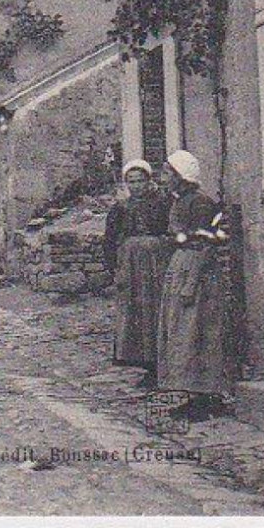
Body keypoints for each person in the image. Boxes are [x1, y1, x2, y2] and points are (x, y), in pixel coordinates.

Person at [156, 150, 234, 419]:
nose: (163, 178)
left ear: (181, 176)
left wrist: (190, 283)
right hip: (182, 268)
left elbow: (206, 245)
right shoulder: (181, 201)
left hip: (198, 275)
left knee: (198, 331)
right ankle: (192, 392)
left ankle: (206, 396)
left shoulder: (200, 203)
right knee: (182, 333)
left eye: (168, 173)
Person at [105, 160, 173, 381]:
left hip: (155, 264)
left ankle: (160, 363)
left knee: (155, 310)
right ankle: (142, 362)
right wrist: (113, 267)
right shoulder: (119, 209)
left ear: (148, 181)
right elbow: (109, 240)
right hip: (130, 266)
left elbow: (171, 230)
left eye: (140, 181)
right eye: (131, 182)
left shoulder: (162, 204)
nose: (136, 186)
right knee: (134, 312)